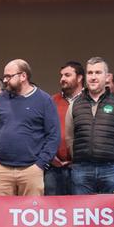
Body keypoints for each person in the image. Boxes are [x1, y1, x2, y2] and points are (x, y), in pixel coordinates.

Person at [0, 59, 60, 196]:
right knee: (0, 215)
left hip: (31, 170)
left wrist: (40, 164)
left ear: (23, 76)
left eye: (9, 76)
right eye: (4, 76)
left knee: (30, 214)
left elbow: (53, 135)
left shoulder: (44, 100)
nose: (5, 80)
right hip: (1, 170)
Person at [65, 56, 114, 194]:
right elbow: (69, 137)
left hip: (112, 169)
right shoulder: (75, 104)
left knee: (112, 213)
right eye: (90, 73)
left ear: (106, 76)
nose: (93, 77)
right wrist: (79, 158)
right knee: (81, 213)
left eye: (98, 72)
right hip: (81, 169)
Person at [45, 61, 84, 195]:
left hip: (81, 167)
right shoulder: (51, 101)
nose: (62, 79)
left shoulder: (88, 100)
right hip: (53, 167)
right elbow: (42, 131)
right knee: (52, 210)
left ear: (79, 78)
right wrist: (50, 156)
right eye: (61, 75)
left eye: (67, 75)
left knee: (79, 210)